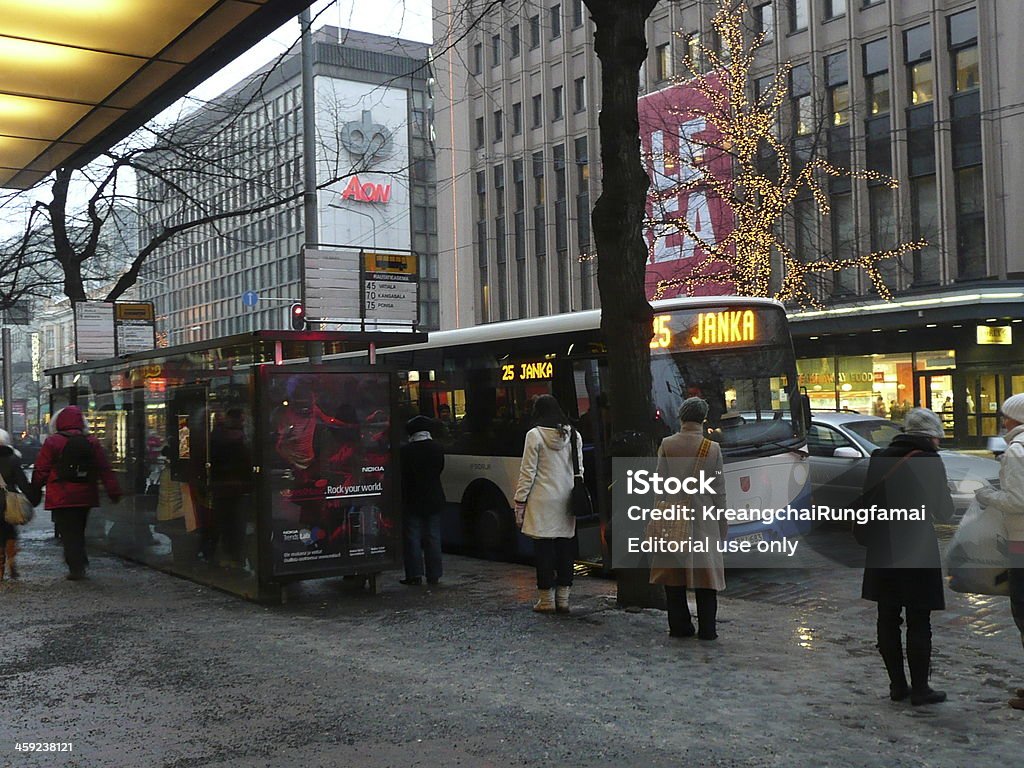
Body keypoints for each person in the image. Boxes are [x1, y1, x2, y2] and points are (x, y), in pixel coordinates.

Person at [858, 407, 953, 706]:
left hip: (883, 546)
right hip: (916, 547)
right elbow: (944, 511)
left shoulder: (879, 457)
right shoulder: (929, 460)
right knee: (918, 618)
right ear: (928, 435)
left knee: (887, 618)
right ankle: (921, 689)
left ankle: (897, 686)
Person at [649, 398, 727, 640]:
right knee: (706, 579)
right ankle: (707, 629)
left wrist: (657, 516)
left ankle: (680, 627)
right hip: (704, 521)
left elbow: (659, 486)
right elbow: (719, 492)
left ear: (681, 417)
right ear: (703, 419)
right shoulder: (712, 449)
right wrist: (722, 525)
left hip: (672, 518)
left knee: (673, 578)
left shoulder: (667, 445)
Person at [974, 393, 1024, 711]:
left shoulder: (1017, 450)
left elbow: (1018, 501)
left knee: (1022, 613)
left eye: (1004, 415)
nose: (1002, 421)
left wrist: (988, 495)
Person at [31, 406, 122, 580]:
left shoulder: (53, 441)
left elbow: (41, 469)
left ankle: (76, 566)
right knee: (79, 529)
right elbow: (104, 468)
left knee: (68, 531)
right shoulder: (91, 441)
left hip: (61, 494)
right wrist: (113, 490)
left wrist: (34, 490)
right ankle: (79, 561)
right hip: (85, 494)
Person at [513, 395, 582, 614]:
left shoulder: (534, 435)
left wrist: (520, 500)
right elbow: (579, 469)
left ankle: (546, 600)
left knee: (543, 551)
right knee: (565, 549)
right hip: (567, 498)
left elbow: (527, 472)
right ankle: (563, 599)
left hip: (542, 500)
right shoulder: (573, 434)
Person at [399, 415, 445, 586]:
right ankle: (434, 574)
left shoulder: (405, 451)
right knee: (433, 536)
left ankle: (414, 575)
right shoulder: (437, 448)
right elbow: (439, 469)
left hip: (412, 498)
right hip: (434, 497)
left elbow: (402, 475)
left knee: (413, 537)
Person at [0, 430, 42, 580]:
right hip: (9, 502)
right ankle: (11, 560)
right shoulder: (12, 460)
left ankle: (0, 568)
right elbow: (23, 483)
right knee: (10, 532)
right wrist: (33, 498)